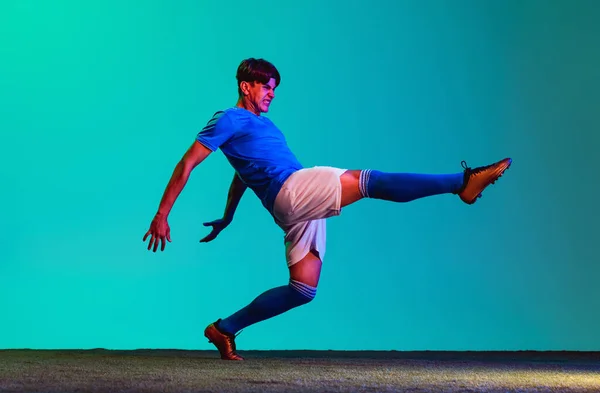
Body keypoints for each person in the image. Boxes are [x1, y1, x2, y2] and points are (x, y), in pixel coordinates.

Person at [143, 58, 512, 361]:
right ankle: (461, 183)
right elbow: (188, 162)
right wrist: (163, 214)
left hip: (294, 204)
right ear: (246, 86)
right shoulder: (228, 118)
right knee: (371, 181)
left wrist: (228, 216)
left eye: (275, 88)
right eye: (266, 86)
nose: (272, 93)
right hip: (293, 189)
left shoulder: (262, 125)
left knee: (302, 290)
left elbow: (242, 174)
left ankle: (224, 329)